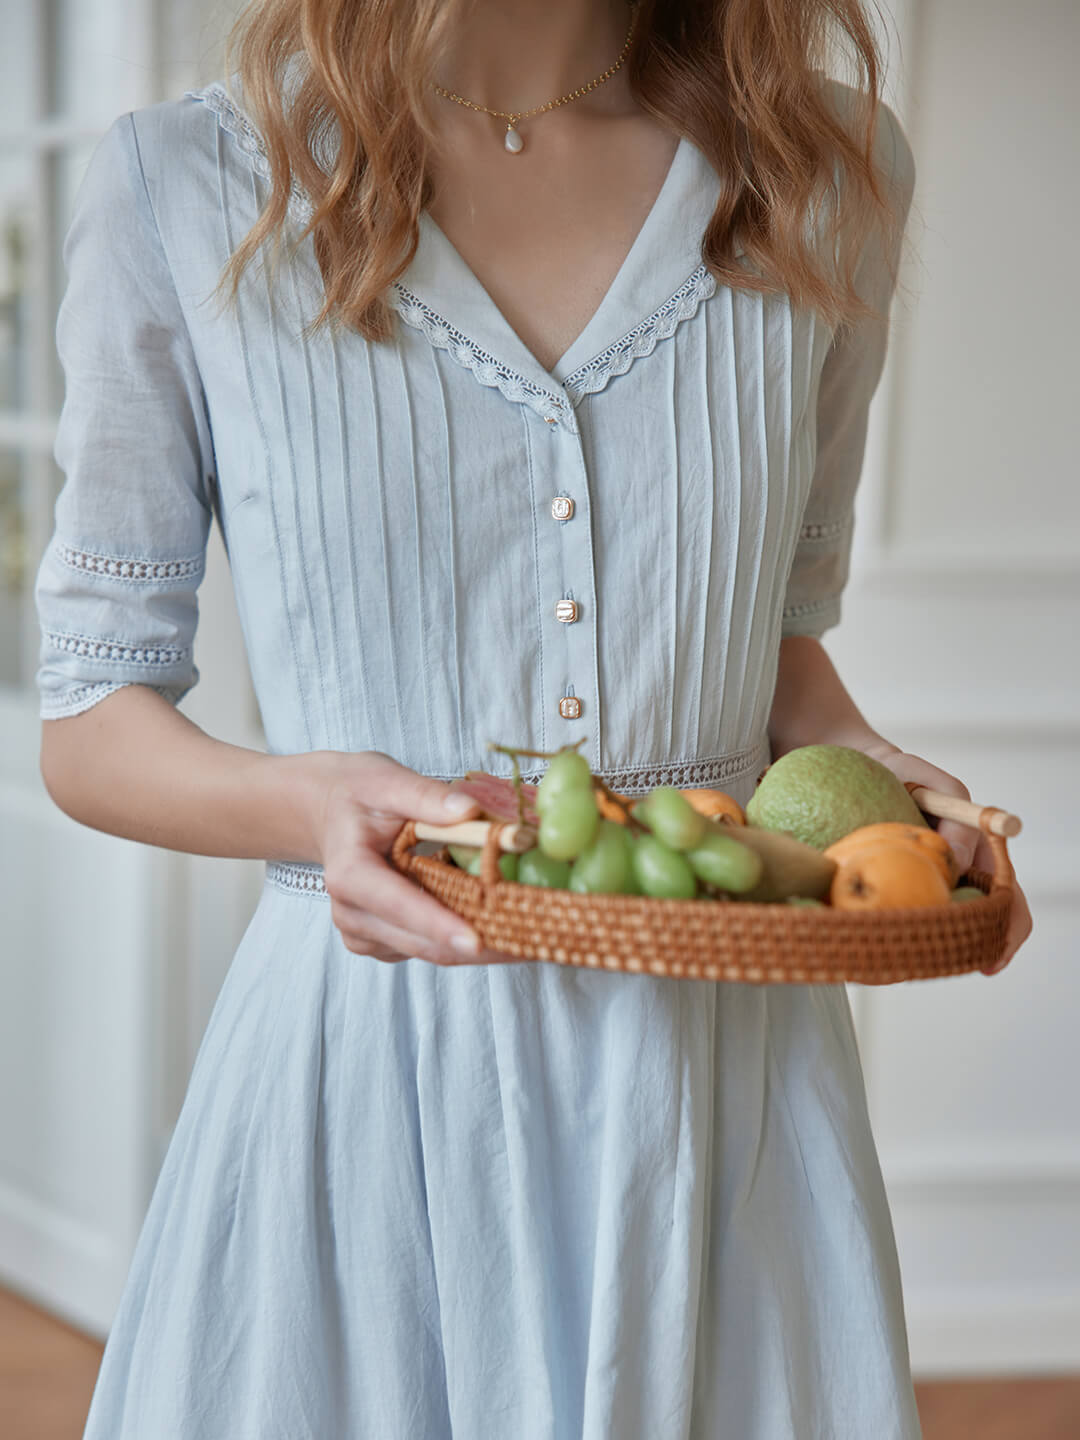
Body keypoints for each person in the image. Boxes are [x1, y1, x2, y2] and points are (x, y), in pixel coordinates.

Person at [35, 1, 1032, 1436]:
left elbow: (782, 655)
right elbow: (89, 715)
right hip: (369, 1070)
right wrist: (312, 805)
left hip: (723, 1082)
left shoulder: (824, 168)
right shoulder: (185, 188)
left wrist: (884, 790)